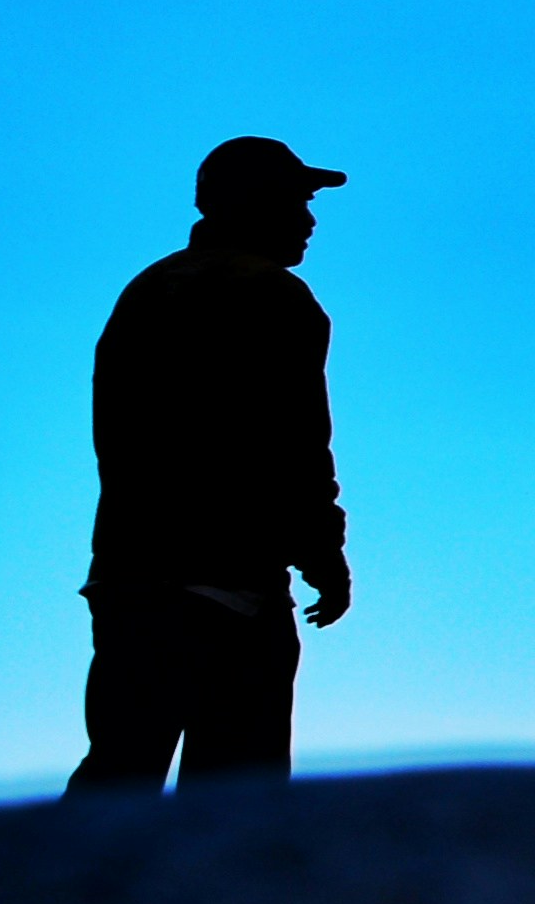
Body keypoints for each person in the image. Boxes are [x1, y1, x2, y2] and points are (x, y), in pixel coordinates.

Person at [73, 137, 353, 796]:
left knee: (117, 777)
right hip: (231, 592)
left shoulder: (146, 291)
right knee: (235, 805)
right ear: (253, 205)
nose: (309, 219)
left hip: (130, 581)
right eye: (296, 201)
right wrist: (324, 556)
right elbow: (294, 443)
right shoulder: (275, 295)